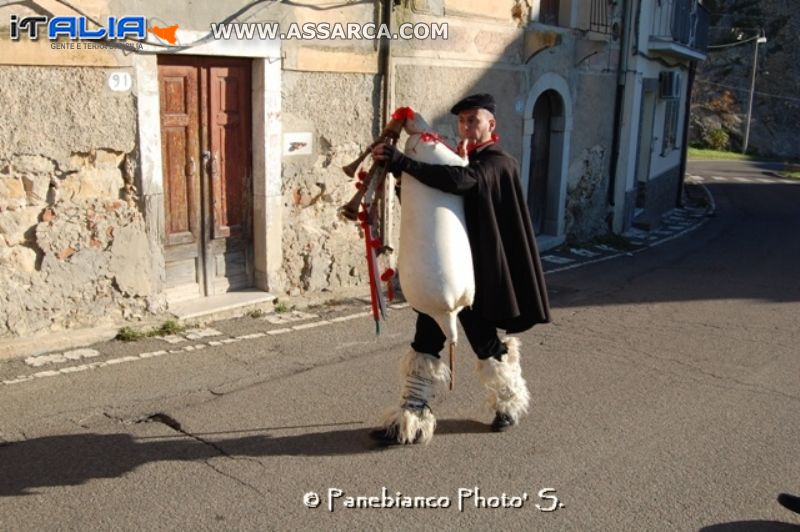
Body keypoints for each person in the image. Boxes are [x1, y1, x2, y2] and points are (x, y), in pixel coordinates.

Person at [369, 93, 551, 445]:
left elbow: (464, 182)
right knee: (425, 342)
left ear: (491, 124)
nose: (467, 126)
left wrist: (405, 163)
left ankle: (509, 403)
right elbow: (436, 194)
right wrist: (398, 172)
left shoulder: (499, 163)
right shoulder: (457, 160)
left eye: (474, 120)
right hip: (446, 272)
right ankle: (410, 418)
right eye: (462, 120)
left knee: (484, 345)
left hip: (479, 278)